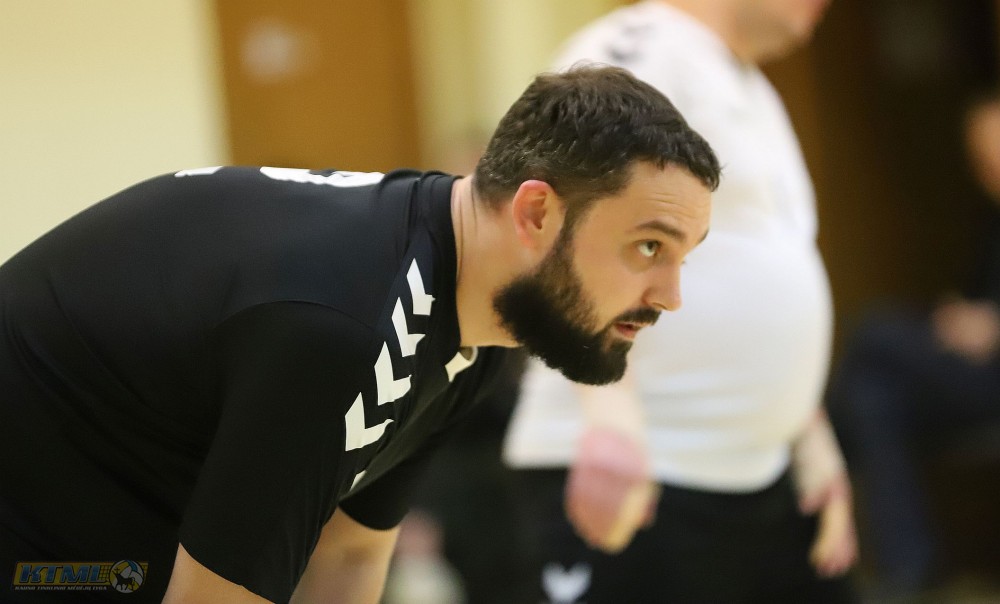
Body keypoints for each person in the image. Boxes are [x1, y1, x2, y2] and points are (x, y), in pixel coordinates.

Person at [0, 65, 720, 604]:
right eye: (649, 247)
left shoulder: (469, 312)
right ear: (536, 213)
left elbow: (348, 554)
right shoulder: (350, 330)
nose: (671, 296)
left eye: (683, 256)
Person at [503, 2, 859, 603]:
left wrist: (809, 433)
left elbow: (766, 266)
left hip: (762, 475)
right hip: (642, 471)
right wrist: (608, 414)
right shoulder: (641, 47)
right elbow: (553, 229)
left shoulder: (750, 83)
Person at [826, 92, 1000, 599]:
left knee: (874, 331)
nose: (991, 168)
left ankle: (816, 449)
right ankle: (909, 570)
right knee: (871, 397)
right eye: (982, 158)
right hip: (975, 372)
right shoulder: (991, 221)